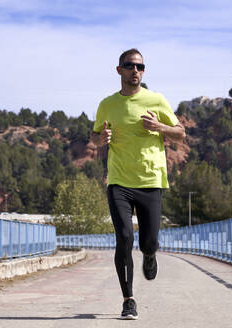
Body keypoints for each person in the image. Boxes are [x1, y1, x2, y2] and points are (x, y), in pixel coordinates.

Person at [91, 48, 185, 320]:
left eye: (141, 67)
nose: (136, 71)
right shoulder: (107, 104)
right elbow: (94, 136)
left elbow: (181, 134)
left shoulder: (156, 100)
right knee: (123, 238)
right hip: (119, 181)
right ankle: (128, 299)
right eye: (130, 66)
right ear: (119, 69)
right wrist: (101, 139)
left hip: (151, 180)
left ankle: (150, 254)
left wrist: (160, 128)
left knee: (149, 241)